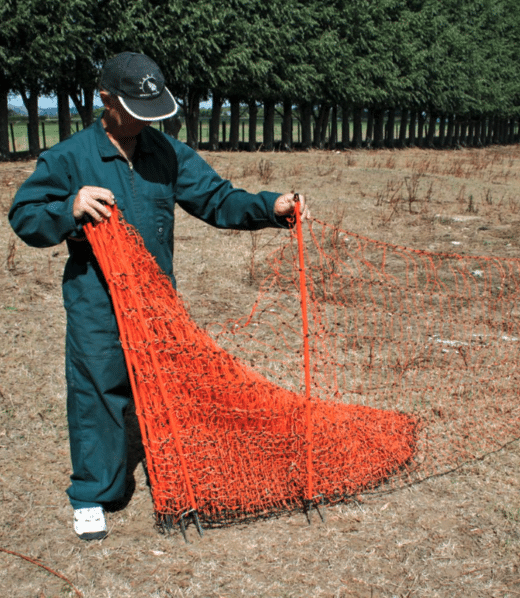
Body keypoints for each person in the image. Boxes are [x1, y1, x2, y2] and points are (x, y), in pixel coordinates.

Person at [8, 52, 309, 541]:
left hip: (156, 302)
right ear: (106, 100)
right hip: (96, 301)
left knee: (163, 385)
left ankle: (175, 468)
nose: (144, 123)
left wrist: (271, 207)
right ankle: (92, 492)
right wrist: (70, 206)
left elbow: (217, 199)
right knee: (98, 389)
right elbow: (24, 217)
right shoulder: (67, 157)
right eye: (134, 110)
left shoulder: (167, 154)